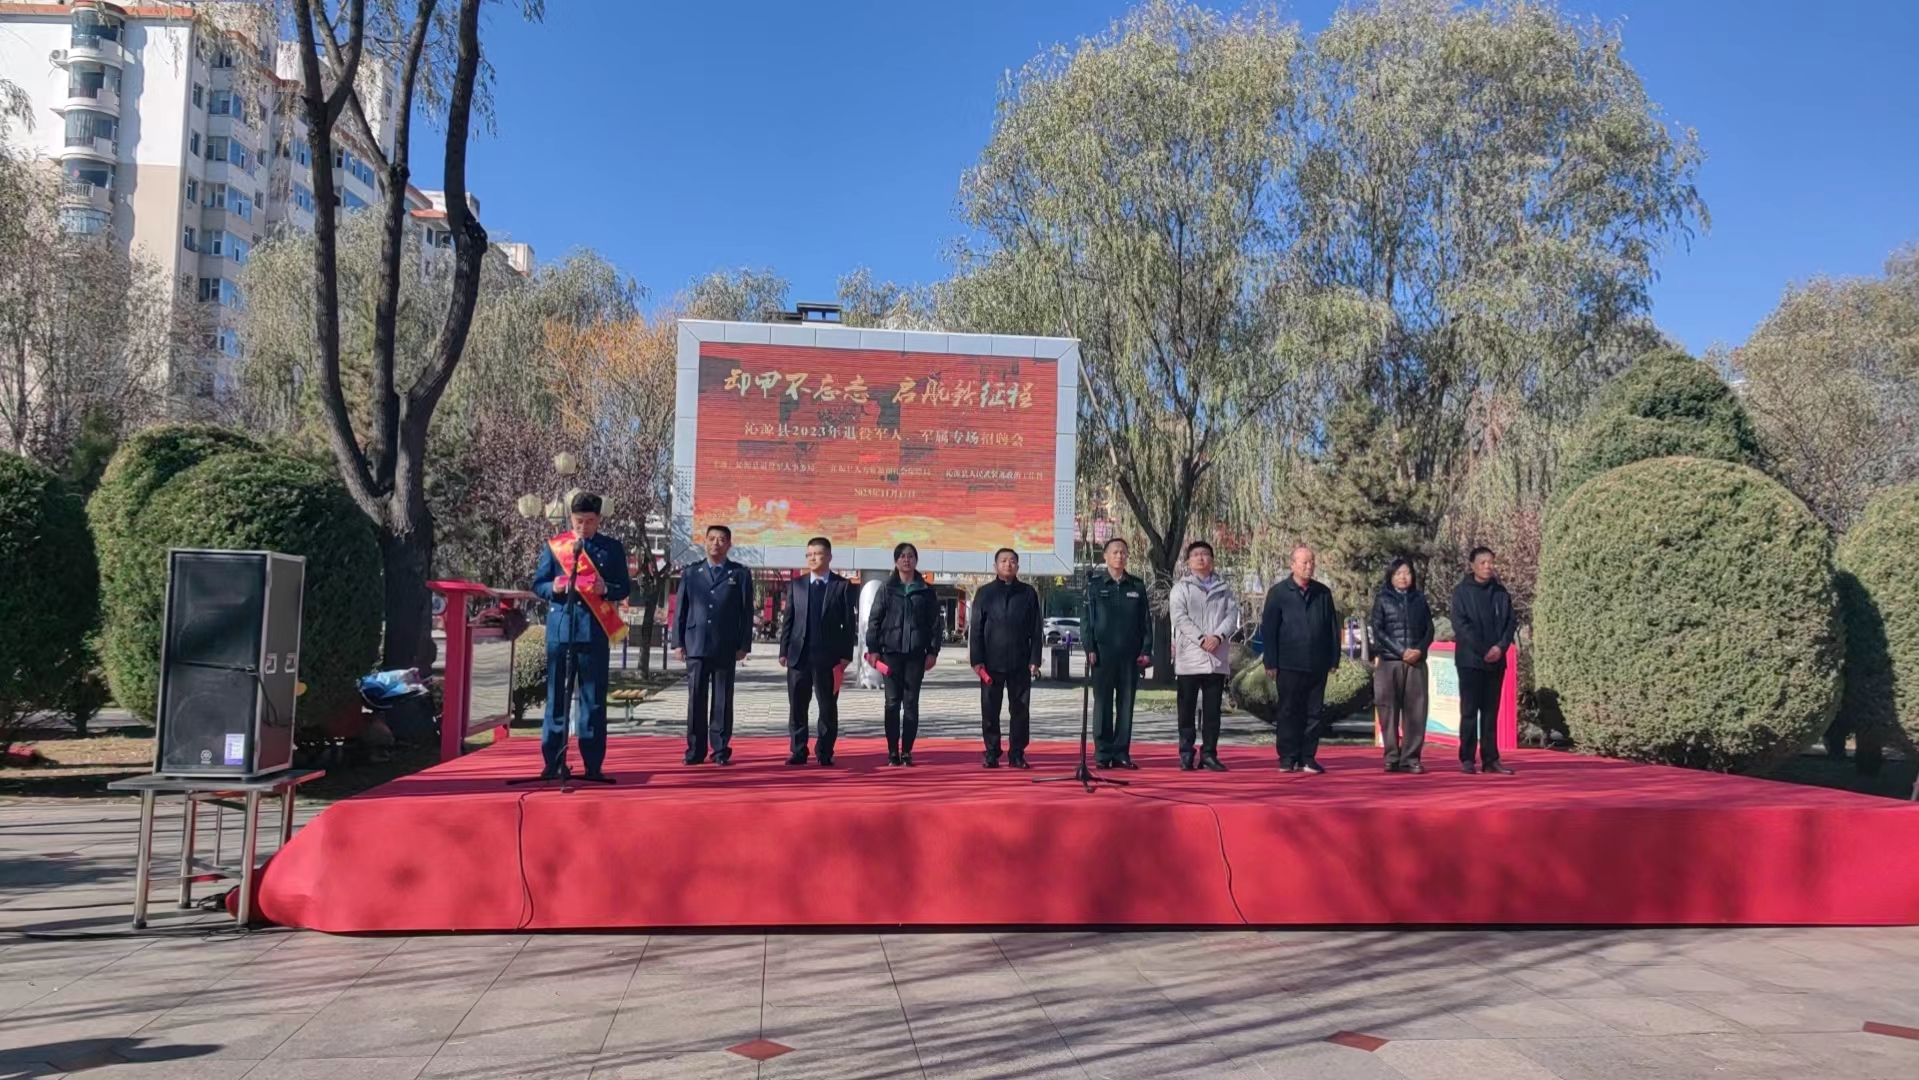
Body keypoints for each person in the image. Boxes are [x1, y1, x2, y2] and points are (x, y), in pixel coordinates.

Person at [529, 492, 632, 781]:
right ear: (570, 518)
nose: (583, 526)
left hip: (594, 633)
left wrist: (605, 589)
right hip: (561, 632)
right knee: (556, 700)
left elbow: (624, 587)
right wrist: (553, 588)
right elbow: (538, 584)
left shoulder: (612, 548)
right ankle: (553, 762)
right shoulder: (556, 546)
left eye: (589, 521)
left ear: (598, 520)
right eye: (578, 521)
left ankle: (593, 765)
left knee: (593, 701)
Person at [671, 524, 754, 766]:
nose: (716, 543)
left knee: (722, 700)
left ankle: (720, 750)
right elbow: (681, 610)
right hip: (696, 644)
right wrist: (678, 642)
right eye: (712, 539)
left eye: (721, 539)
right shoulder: (691, 573)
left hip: (725, 645)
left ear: (729, 544)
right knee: (696, 699)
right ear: (704, 542)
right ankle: (695, 750)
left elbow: (746, 612)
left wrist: (744, 644)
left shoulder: (739, 574)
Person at [1260, 545, 1341, 774]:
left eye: (1312, 561)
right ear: (1292, 564)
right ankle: (1288, 757)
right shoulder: (1278, 592)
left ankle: (1308, 757)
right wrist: (1270, 661)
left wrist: (1334, 658)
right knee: (1288, 711)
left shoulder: (1323, 593)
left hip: (1317, 662)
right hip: (1288, 663)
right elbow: (1269, 629)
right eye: (1304, 562)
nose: (1309, 566)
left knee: (1314, 712)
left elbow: (1332, 628)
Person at [778, 537, 856, 767]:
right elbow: (788, 620)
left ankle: (824, 751)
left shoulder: (842, 586)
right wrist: (784, 651)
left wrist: (845, 656)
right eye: (809, 554)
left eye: (818, 554)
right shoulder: (797, 585)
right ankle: (798, 750)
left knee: (827, 707)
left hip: (829, 658)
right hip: (799, 657)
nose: (813, 558)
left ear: (829, 556)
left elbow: (848, 624)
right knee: (797, 707)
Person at [865, 542, 942, 766]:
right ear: (896, 561)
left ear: (916, 560)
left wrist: (933, 651)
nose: (906, 560)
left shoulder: (926, 591)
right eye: (902, 556)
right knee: (891, 702)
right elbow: (874, 621)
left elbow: (935, 624)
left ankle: (907, 751)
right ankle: (892, 751)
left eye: (910, 556)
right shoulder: (886, 589)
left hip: (916, 654)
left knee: (911, 703)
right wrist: (873, 649)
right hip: (891, 654)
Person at [968, 549, 1043, 769]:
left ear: (1018, 566)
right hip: (991, 662)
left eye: (1012, 561)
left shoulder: (1028, 593)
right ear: (995, 566)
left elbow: (1036, 629)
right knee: (990, 710)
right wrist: (976, 660)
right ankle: (992, 752)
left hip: (1020, 661)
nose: (1008, 564)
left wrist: (1035, 658)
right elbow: (976, 629)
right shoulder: (985, 593)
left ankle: (1017, 753)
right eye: (1003, 561)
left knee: (1020, 710)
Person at [1170, 541, 1239, 771]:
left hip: (1215, 659)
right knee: (1186, 711)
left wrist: (1218, 637)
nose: (1201, 558)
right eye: (1196, 555)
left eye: (1205, 554)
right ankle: (1186, 753)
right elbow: (1179, 617)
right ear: (1188, 561)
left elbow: (1232, 616)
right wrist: (1201, 639)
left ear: (1212, 559)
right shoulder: (1181, 588)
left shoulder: (1224, 589)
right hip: (1190, 658)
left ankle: (1209, 754)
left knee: (1212, 712)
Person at [1085, 537, 1153, 769]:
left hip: (1130, 655)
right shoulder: (1095, 585)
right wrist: (1089, 647)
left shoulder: (1136, 586)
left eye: (1123, 552)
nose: (1119, 556)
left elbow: (1145, 621)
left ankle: (1121, 752)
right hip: (1102, 654)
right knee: (1102, 704)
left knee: (1126, 704)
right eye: (1114, 552)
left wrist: (1146, 650)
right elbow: (1087, 621)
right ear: (1105, 556)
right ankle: (1103, 753)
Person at [1451, 546, 1518, 775]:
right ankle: (1467, 758)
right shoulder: (1462, 592)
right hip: (1470, 661)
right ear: (1472, 565)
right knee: (1469, 711)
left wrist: (1500, 647)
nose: (1488, 566)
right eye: (1483, 562)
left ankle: (1491, 759)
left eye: (1491, 562)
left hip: (1496, 661)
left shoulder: (1500, 592)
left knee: (1491, 713)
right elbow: (1461, 625)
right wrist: (1483, 649)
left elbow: (1510, 623)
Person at [1369, 557, 1435, 774]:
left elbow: (1429, 629)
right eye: (1398, 573)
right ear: (1391, 576)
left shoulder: (1419, 599)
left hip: (1416, 662)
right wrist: (1401, 651)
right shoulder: (1382, 599)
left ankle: (1411, 758)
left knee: (1416, 711)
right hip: (1390, 662)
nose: (1403, 577)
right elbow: (1378, 630)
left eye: (1407, 573)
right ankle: (1391, 756)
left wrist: (1419, 650)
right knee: (1388, 710)